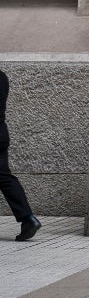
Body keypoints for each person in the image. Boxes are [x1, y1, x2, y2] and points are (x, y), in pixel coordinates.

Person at [1, 70, 41, 241]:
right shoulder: (2, 77)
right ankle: (27, 218)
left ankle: (28, 218)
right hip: (1, 133)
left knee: (3, 177)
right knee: (3, 177)